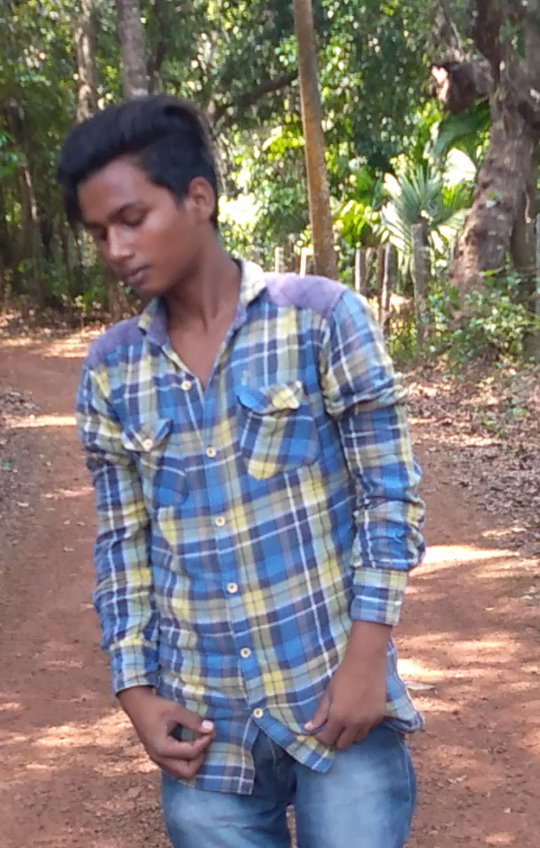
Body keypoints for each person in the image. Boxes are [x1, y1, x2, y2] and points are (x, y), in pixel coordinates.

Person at [57, 94, 425, 848]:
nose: (116, 249)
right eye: (99, 233)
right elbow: (124, 545)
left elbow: (389, 498)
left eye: (131, 218)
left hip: (334, 699)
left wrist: (367, 662)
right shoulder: (110, 373)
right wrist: (135, 692)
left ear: (198, 198)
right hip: (207, 731)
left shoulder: (321, 320)